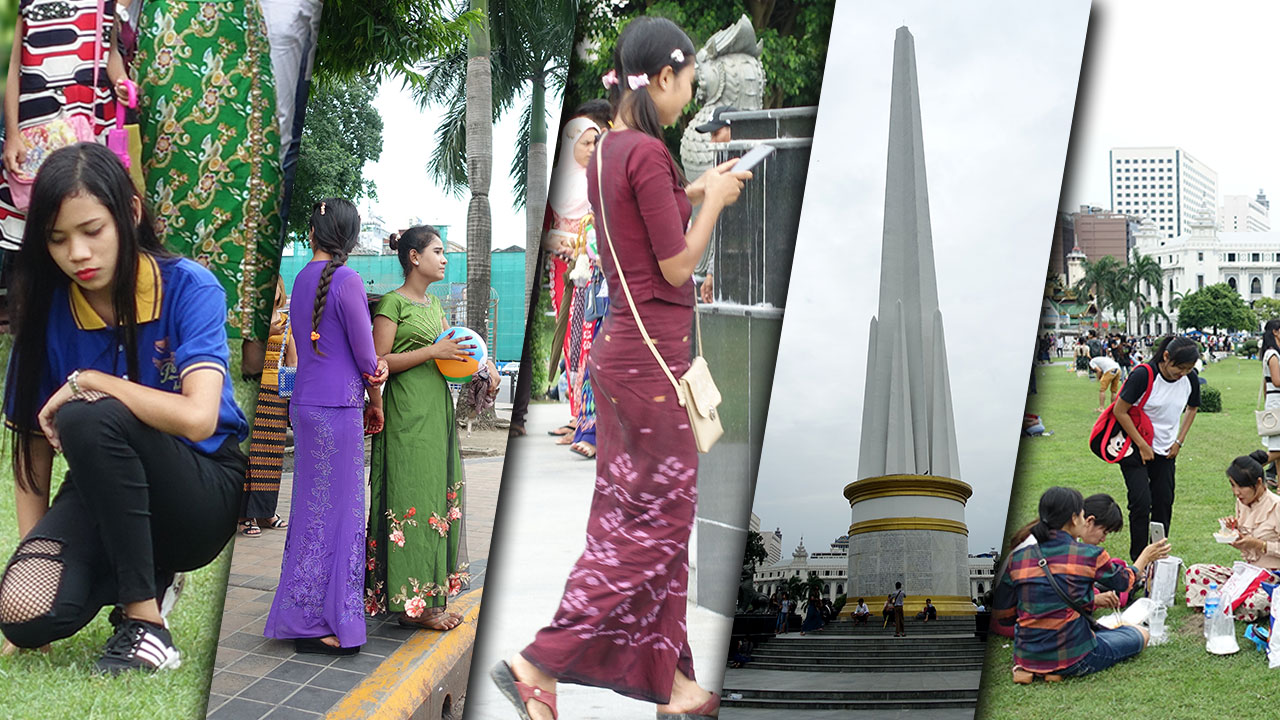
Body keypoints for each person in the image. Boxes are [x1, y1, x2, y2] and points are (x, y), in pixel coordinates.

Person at [493, 16, 750, 720]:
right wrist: (718, 203)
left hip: (621, 362)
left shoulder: (609, 151)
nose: (689, 98)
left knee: (632, 526)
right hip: (654, 372)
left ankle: (675, 687)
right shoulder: (649, 154)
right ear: (663, 77)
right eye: (688, 83)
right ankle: (536, 661)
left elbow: (643, 222)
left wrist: (698, 190)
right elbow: (674, 263)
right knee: (654, 531)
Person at [0, 143, 248, 673]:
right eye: (58, 239)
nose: (78, 254)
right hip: (105, 484)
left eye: (93, 231)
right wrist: (38, 553)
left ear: (130, 214)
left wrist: (91, 380)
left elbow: (199, 417)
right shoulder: (44, 312)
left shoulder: (189, 286)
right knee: (23, 611)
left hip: (202, 487)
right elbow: (31, 450)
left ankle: (146, 624)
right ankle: (144, 569)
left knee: (86, 410)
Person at [263, 199, 387, 655]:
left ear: (313, 234)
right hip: (339, 409)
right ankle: (326, 621)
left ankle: (302, 613)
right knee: (342, 516)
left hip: (308, 405)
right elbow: (367, 358)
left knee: (312, 514)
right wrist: (377, 393)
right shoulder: (348, 279)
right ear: (351, 239)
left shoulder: (300, 279)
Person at [133, 0, 284, 376]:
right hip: (171, 34)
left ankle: (255, 349)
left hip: (238, 41)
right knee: (168, 187)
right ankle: (166, 342)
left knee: (258, 184)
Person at [364, 226, 484, 630]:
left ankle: (429, 600)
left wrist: (480, 367)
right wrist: (433, 350)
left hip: (436, 414)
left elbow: (451, 355)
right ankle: (408, 605)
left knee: (435, 503)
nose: (445, 258)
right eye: (437, 251)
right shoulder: (391, 305)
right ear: (414, 258)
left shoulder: (434, 306)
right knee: (408, 500)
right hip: (404, 417)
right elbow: (377, 362)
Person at [994, 487, 1168, 682]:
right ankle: (1057, 668)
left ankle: (1035, 669)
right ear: (1075, 518)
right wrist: (1144, 558)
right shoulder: (1088, 554)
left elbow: (1003, 614)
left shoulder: (1018, 558)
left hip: (1026, 655)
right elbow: (1124, 582)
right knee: (1141, 634)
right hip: (1073, 655)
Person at [1, 0, 131, 248]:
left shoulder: (105, 3)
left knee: (93, 201)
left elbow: (110, 51)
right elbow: (9, 65)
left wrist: (121, 81)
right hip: (39, 120)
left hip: (93, 117)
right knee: (40, 214)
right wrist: (13, 134)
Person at [1112, 335, 1200, 561]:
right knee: (1141, 504)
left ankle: (1158, 558)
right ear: (1166, 357)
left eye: (1188, 369)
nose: (1182, 373)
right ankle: (1139, 562)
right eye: (1179, 368)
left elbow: (1192, 408)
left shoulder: (1190, 379)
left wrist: (1179, 441)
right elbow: (1119, 411)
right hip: (1134, 447)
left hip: (1166, 451)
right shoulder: (1144, 375)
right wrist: (1142, 445)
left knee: (1163, 503)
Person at [1184, 451, 1280, 622]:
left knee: (1255, 602)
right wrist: (1234, 534)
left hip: (1272, 577)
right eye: (1232, 485)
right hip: (1247, 574)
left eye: (1240, 487)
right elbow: (1246, 546)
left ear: (1258, 483)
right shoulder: (1241, 503)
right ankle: (1229, 602)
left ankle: (1225, 603)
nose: (1236, 492)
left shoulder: (1276, 506)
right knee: (1195, 572)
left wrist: (1260, 545)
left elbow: (1258, 545)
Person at [240, 276, 293, 536]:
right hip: (251, 389)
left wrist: (291, 398)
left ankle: (265, 512)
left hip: (276, 393)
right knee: (251, 454)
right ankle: (244, 516)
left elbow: (292, 360)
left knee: (272, 455)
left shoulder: (286, 322)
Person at [1260, 319, 1280, 474]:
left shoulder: (1271, 353)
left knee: (1278, 447)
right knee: (1277, 450)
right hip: (1277, 401)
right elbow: (1277, 381)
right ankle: (1250, 466)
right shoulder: (1273, 354)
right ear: (1275, 331)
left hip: (1274, 401)